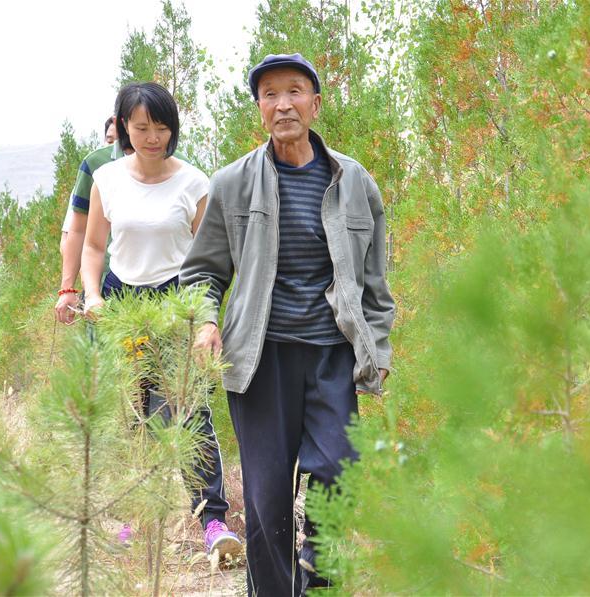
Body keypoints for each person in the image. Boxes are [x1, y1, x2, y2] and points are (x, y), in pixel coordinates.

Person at [180, 53, 395, 596]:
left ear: (315, 103)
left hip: (332, 355)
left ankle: (319, 581)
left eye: (295, 92)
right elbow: (203, 271)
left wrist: (380, 350)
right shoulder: (231, 184)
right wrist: (207, 322)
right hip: (261, 357)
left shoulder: (355, 183)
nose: (283, 104)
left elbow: (374, 282)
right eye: (270, 94)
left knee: (336, 476)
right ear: (259, 108)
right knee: (267, 496)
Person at [79, 82, 243, 558]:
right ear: (124, 128)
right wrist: (91, 295)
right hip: (121, 305)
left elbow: (211, 258)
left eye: (161, 127)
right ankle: (130, 522)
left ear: (173, 128)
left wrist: (203, 319)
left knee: (189, 412)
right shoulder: (106, 179)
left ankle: (213, 521)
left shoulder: (195, 183)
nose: (152, 137)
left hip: (178, 303)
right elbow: (93, 247)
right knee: (133, 415)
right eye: (141, 127)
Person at [55, 115, 124, 323]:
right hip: (98, 287)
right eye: (110, 139)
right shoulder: (95, 168)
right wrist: (67, 288)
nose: (115, 145)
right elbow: (72, 233)